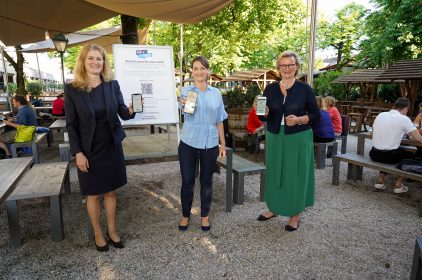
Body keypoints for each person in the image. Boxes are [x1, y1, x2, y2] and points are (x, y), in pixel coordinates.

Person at [65, 44, 135, 252]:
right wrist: (78, 153)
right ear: (83, 62)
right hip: (88, 150)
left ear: (104, 62)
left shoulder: (112, 85)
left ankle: (112, 231)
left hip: (110, 147)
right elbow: (71, 124)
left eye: (100, 58)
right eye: (91, 58)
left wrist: (131, 110)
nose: (96, 62)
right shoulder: (72, 89)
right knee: (93, 195)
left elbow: (122, 112)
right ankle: (98, 233)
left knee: (111, 192)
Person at [256, 51, 319, 231]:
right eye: (283, 65)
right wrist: (263, 112)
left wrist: (300, 120)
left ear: (297, 67)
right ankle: (274, 208)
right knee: (276, 172)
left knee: (295, 174)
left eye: (290, 65)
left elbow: (316, 115)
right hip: (275, 136)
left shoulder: (305, 89)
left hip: (298, 137)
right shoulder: (270, 89)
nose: (287, 68)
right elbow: (264, 116)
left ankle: (295, 214)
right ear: (279, 68)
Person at [178, 56, 227, 232]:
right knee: (188, 181)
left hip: (210, 143)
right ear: (192, 71)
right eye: (195, 68)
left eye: (202, 68)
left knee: (207, 181)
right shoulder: (186, 91)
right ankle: (185, 215)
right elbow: (186, 112)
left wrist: (222, 144)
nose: (199, 71)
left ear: (208, 71)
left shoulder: (216, 93)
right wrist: (182, 105)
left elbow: (220, 120)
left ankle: (204, 216)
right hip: (189, 142)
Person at [369, 98, 422, 193]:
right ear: (406, 109)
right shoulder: (404, 119)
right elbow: (418, 139)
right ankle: (398, 185)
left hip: (373, 154)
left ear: (394, 106)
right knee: (411, 155)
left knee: (390, 149)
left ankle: (380, 181)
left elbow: (373, 135)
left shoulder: (381, 115)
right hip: (389, 157)